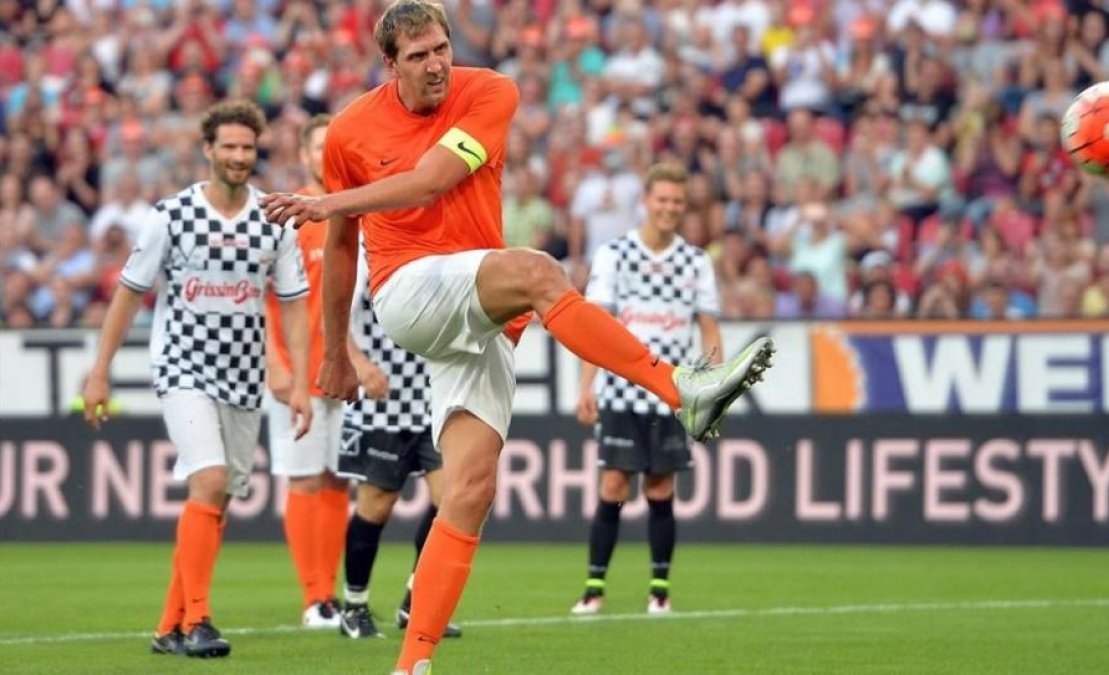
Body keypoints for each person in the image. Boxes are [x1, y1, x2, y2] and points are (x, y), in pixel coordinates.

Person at [259, 3, 774, 673]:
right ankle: (681, 388)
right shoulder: (350, 131)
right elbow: (343, 250)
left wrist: (329, 201)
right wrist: (333, 350)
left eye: (441, 47)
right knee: (537, 270)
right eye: (418, 56)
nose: (436, 63)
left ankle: (411, 664)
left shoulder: (491, 91)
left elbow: (435, 178)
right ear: (389, 65)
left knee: (470, 489)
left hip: (476, 303)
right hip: (408, 293)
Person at [81, 100, 313, 658]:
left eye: (247, 148)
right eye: (228, 147)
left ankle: (168, 625)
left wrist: (300, 380)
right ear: (207, 150)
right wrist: (99, 373)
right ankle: (198, 621)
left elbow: (295, 305)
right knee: (208, 482)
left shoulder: (273, 219)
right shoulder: (171, 215)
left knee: (217, 502)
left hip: (244, 376)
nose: (238, 156)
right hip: (183, 369)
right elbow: (129, 294)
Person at [570, 163, 722, 616]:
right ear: (646, 201)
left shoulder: (696, 261)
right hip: (620, 391)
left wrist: (710, 389)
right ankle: (594, 588)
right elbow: (594, 327)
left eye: (677, 201)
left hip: (672, 394)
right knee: (614, 483)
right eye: (662, 199)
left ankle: (659, 590)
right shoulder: (615, 254)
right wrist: (586, 386)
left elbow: (709, 331)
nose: (670, 208)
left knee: (660, 489)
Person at [336, 244, 462, 641]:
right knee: (377, 505)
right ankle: (354, 606)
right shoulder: (365, 248)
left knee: (452, 501)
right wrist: (357, 362)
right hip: (381, 403)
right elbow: (333, 312)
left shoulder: (439, 245)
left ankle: (416, 601)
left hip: (432, 399)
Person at [262, 114, 351, 629]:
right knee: (304, 478)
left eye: (332, 147)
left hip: (342, 369)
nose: (324, 155)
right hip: (298, 371)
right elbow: (257, 294)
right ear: (304, 155)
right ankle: (314, 596)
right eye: (317, 147)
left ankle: (331, 592)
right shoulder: (287, 215)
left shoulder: (355, 211)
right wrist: (274, 362)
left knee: (339, 479)